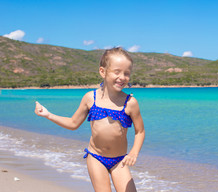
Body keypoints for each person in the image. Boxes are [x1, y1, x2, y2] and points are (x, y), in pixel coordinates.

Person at [34, 47, 145, 192]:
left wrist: (134, 153)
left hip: (119, 160)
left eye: (126, 73)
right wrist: (48, 114)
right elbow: (73, 123)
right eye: (117, 72)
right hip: (96, 157)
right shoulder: (90, 98)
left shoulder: (130, 103)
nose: (122, 77)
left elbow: (140, 131)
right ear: (102, 72)